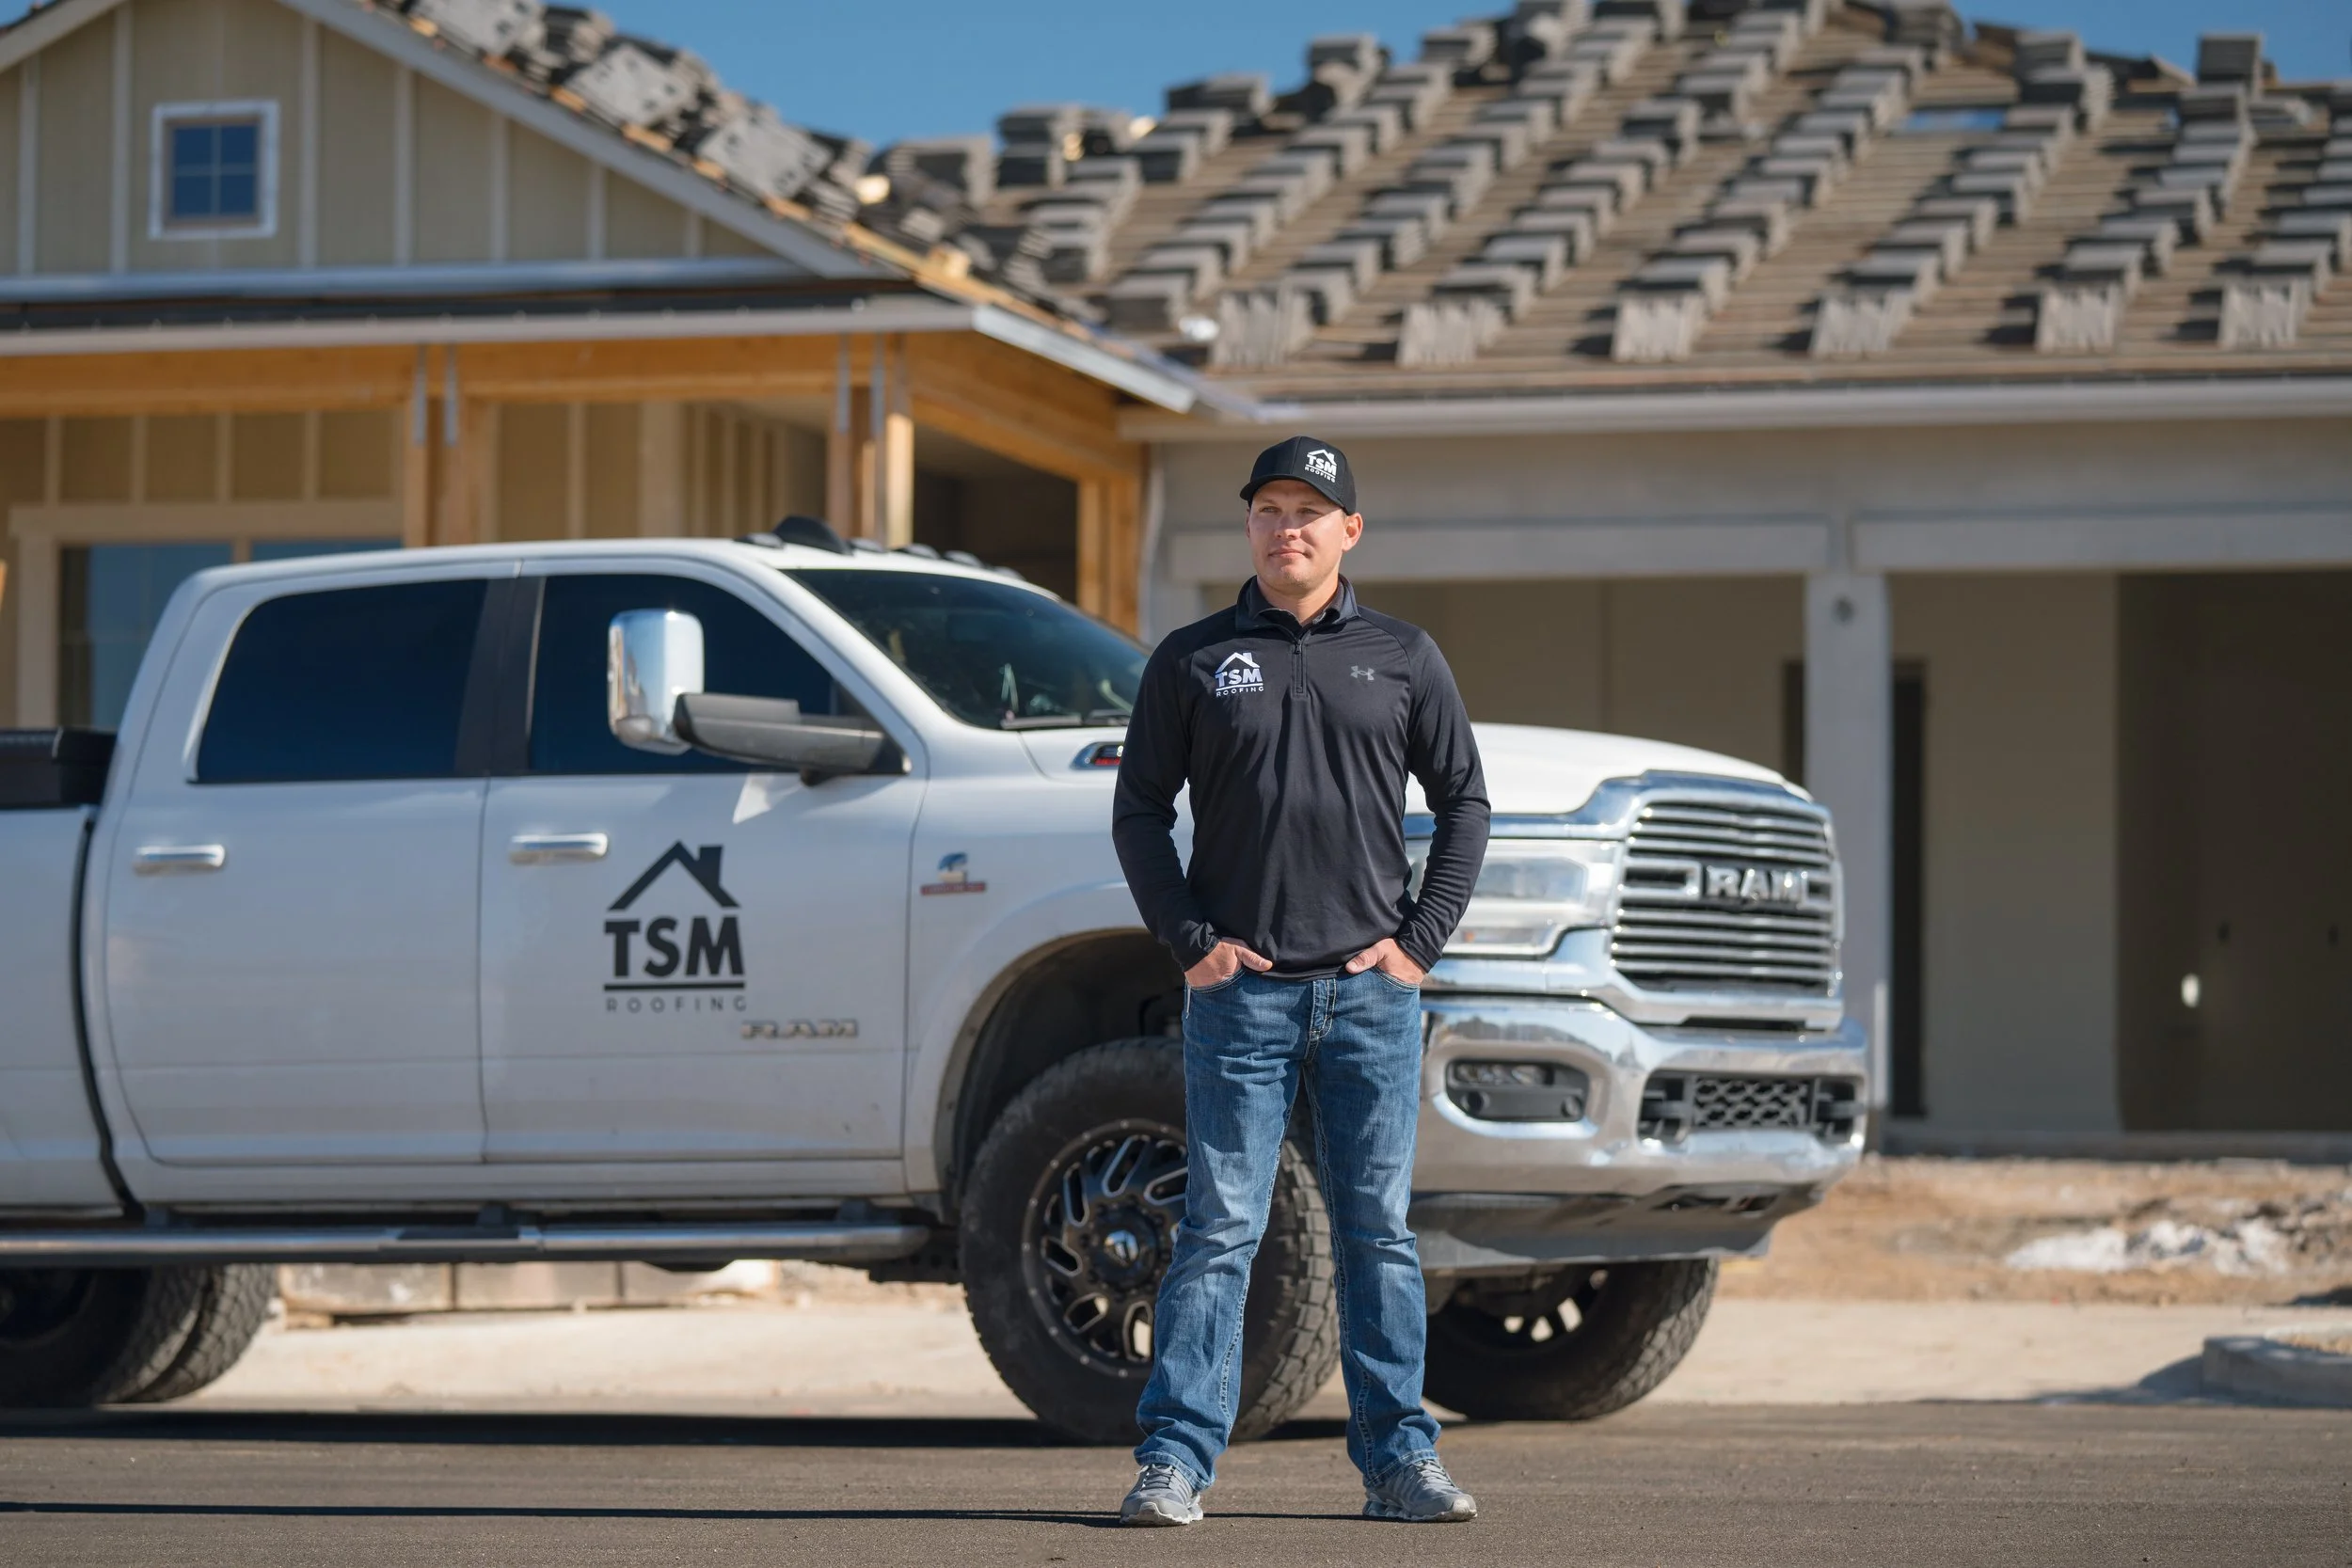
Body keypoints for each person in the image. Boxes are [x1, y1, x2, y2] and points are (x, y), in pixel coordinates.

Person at [1109, 436, 1491, 1527]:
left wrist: (1419, 940)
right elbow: (1138, 810)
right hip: (1240, 995)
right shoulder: (1192, 658)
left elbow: (1464, 801)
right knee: (1220, 1229)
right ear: (1249, 526)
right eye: (1270, 507)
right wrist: (1191, 940)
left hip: (1371, 993)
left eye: (1310, 510)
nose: (1290, 526)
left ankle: (1398, 1462)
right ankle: (1175, 1460)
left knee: (1376, 1231)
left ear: (1348, 531)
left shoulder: (1404, 655)